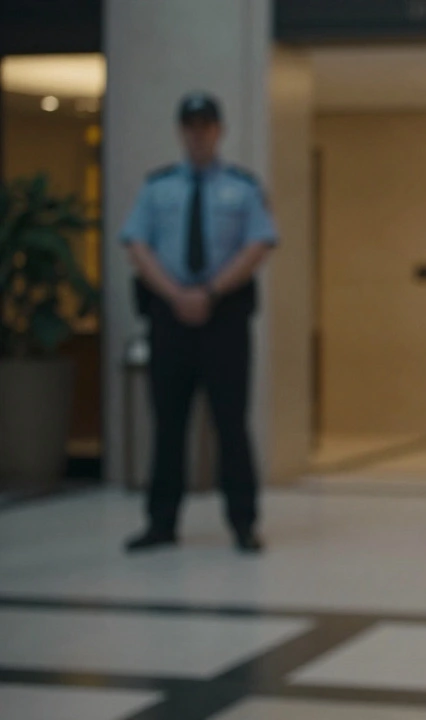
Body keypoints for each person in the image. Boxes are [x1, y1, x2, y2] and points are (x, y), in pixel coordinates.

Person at [121, 91, 277, 555]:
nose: (198, 133)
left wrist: (208, 292)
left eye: (206, 125)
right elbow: (136, 245)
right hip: (169, 318)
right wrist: (176, 295)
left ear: (219, 130)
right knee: (168, 424)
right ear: (181, 131)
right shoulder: (157, 187)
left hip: (224, 319)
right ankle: (161, 522)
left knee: (231, 423)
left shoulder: (243, 188)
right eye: (191, 125)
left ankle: (243, 523)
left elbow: (259, 245)